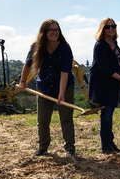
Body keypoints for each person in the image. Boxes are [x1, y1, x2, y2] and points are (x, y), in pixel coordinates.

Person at [18, 19, 77, 157]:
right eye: (51, 30)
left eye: (57, 30)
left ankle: (70, 148)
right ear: (44, 32)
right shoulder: (36, 47)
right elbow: (27, 65)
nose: (54, 32)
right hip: (44, 88)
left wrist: (61, 93)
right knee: (43, 121)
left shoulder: (65, 48)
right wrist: (23, 82)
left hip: (64, 87)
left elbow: (65, 72)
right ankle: (43, 147)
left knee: (66, 119)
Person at [89, 18, 120, 155]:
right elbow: (104, 68)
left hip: (113, 84)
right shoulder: (100, 45)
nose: (111, 29)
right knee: (106, 115)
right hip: (103, 85)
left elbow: (118, 57)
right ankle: (106, 146)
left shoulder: (114, 43)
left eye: (114, 26)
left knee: (109, 114)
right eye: (108, 27)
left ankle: (110, 143)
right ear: (103, 29)